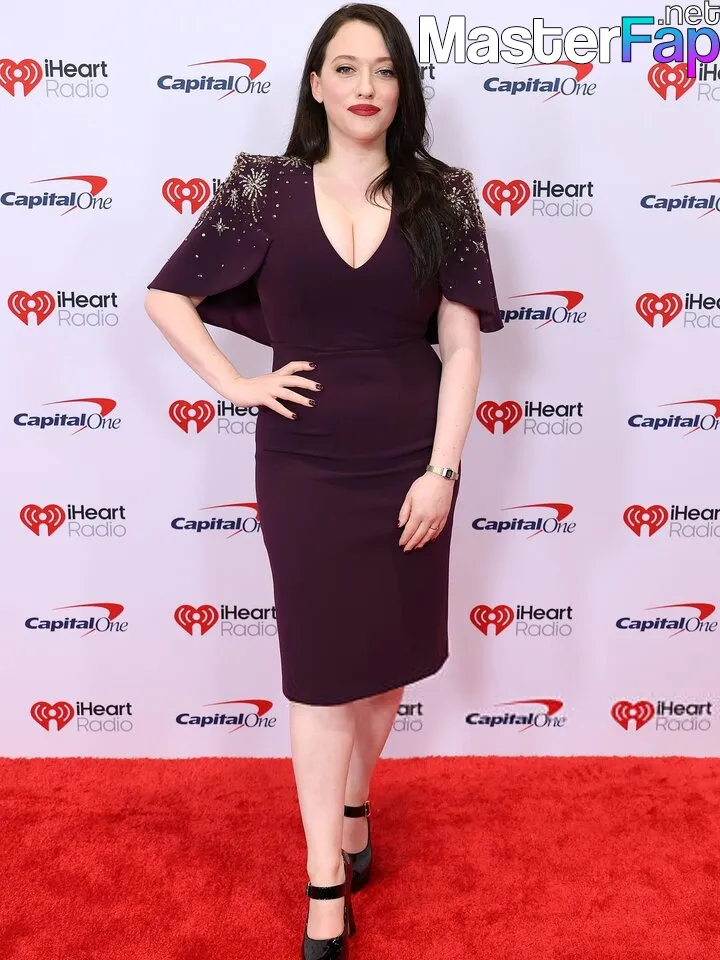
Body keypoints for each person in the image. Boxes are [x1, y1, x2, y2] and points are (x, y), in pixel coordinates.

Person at [145, 3, 503, 957]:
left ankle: (355, 802)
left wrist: (442, 471)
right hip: (302, 464)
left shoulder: (445, 195)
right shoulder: (262, 188)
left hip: (411, 461)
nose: (364, 87)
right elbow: (167, 295)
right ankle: (323, 885)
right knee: (316, 674)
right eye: (345, 68)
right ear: (315, 84)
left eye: (383, 70)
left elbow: (463, 350)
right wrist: (236, 384)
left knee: (383, 674)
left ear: (404, 88)